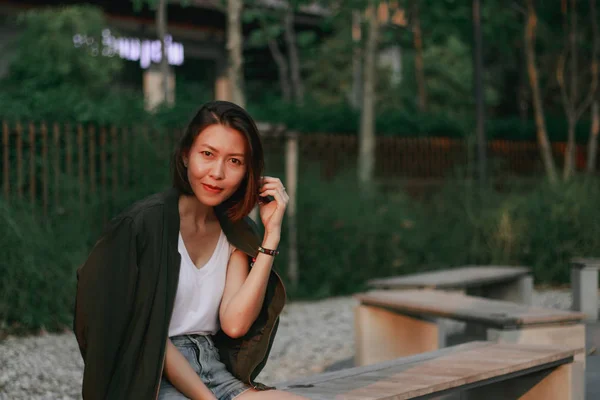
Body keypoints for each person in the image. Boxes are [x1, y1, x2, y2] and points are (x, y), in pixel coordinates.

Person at [74, 101, 306, 400]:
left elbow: (235, 324)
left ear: (247, 171)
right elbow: (146, 334)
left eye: (234, 161)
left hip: (214, 371)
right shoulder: (143, 226)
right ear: (186, 155)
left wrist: (271, 236)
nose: (217, 173)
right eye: (207, 155)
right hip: (150, 379)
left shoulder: (234, 231)